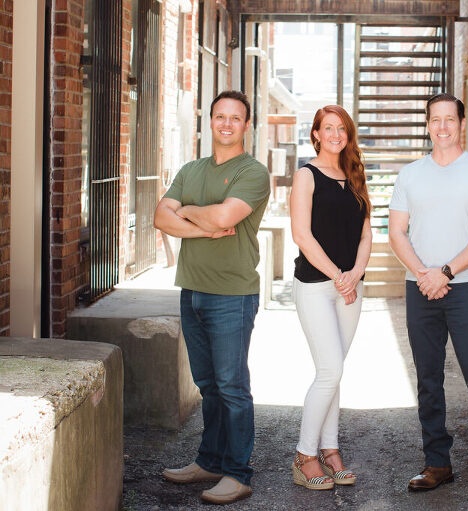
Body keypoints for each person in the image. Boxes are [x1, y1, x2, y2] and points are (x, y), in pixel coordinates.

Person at [389, 93, 468, 502]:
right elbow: (396, 232)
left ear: (462, 123)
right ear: (427, 124)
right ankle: (437, 463)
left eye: (449, 119)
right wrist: (424, 275)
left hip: (465, 287)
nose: (442, 127)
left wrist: (445, 272)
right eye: (435, 120)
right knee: (428, 378)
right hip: (419, 287)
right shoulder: (410, 175)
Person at [153, 90, 270, 505]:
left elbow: (224, 215)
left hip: (232, 295)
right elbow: (159, 216)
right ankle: (210, 460)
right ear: (210, 121)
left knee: (232, 386)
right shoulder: (191, 169)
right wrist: (203, 225)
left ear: (246, 125)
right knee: (208, 385)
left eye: (235, 118)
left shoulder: (253, 172)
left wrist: (186, 210)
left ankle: (237, 473)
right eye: (220, 116)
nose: (226, 124)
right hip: (192, 290)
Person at [290, 105, 372, 490]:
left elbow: (366, 233)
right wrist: (339, 276)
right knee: (330, 371)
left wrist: (355, 274)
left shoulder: (355, 175)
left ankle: (331, 449)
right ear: (316, 134)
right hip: (315, 286)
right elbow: (302, 235)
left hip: (351, 288)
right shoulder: (306, 176)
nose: (336, 134)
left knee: (334, 370)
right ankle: (305, 455)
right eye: (328, 128)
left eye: (342, 128)